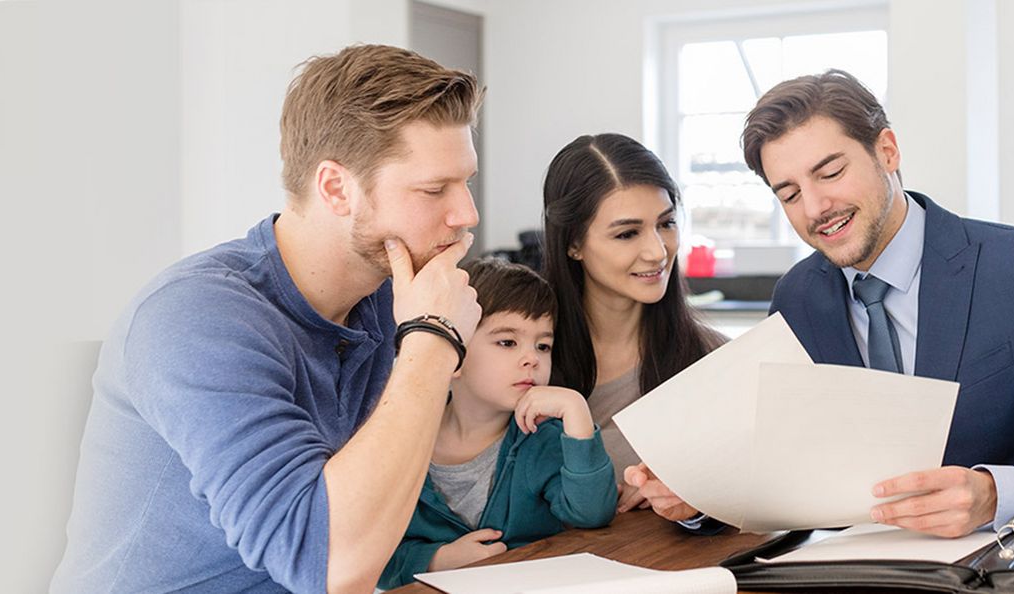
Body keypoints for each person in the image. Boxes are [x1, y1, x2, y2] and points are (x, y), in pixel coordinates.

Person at [628, 69, 1014, 538]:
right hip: (855, 572)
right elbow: (783, 478)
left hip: (1004, 569)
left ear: (886, 150)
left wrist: (994, 493)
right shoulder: (799, 297)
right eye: (789, 194)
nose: (816, 207)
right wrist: (701, 496)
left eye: (830, 171)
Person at [50, 44, 485, 593]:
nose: (467, 214)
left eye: (465, 181)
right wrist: (433, 341)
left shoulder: (387, 297)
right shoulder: (196, 318)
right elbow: (328, 566)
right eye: (433, 189)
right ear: (335, 188)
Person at [378, 259, 617, 589]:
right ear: (453, 353)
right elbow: (375, 555)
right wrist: (437, 560)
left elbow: (591, 514)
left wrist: (576, 411)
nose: (532, 358)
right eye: (507, 342)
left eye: (543, 345)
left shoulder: (542, 437)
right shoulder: (399, 442)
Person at [537, 134, 727, 520]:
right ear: (573, 243)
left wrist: (694, 504)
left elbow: (750, 501)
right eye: (627, 233)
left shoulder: (713, 360)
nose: (658, 251)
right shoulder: (521, 356)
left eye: (666, 223)